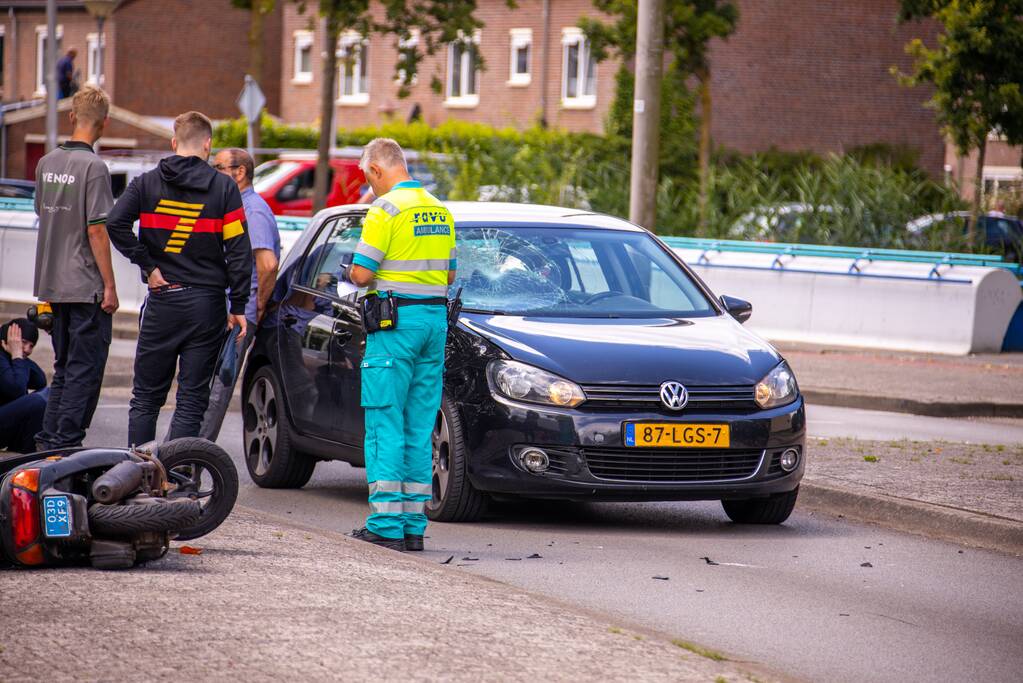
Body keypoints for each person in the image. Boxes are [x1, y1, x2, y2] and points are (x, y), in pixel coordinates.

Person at [106, 111, 251, 446]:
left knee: (145, 398)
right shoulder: (224, 188)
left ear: (174, 143)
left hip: (163, 300)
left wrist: (148, 266)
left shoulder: (147, 182)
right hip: (206, 305)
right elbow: (239, 251)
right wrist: (239, 304)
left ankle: (136, 480)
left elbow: (114, 223)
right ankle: (181, 478)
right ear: (208, 144)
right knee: (191, 400)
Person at [343, 138, 456, 552]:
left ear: (376, 170)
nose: (369, 187)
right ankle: (412, 525)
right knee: (418, 424)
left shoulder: (385, 209)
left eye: (367, 179)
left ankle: (386, 525)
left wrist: (360, 270)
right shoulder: (440, 211)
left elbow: (359, 274)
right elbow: (447, 276)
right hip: (433, 323)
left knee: (384, 421)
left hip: (395, 327)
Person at [33, 85, 117, 450]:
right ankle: (66, 444)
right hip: (85, 285)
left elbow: (42, 213)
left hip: (52, 281)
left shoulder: (46, 163)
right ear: (105, 124)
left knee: (64, 368)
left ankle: (48, 442)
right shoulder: (94, 168)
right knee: (85, 370)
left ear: (71, 118)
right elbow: (97, 229)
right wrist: (110, 286)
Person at [199, 147, 280, 441]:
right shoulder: (236, 205)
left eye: (218, 167)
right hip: (231, 312)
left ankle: (192, 459)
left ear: (240, 172)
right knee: (205, 392)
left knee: (214, 395)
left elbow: (268, 265)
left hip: (239, 318)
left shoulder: (252, 210)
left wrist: (255, 307)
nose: (213, 172)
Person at [0, 319, 48, 453]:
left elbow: (40, 381)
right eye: (24, 342)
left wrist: (19, 357)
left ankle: (22, 451)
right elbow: (16, 390)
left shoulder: (12, 356)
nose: (27, 349)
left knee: (47, 394)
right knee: (37, 402)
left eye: (31, 346)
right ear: (8, 338)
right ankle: (25, 454)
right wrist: (17, 356)